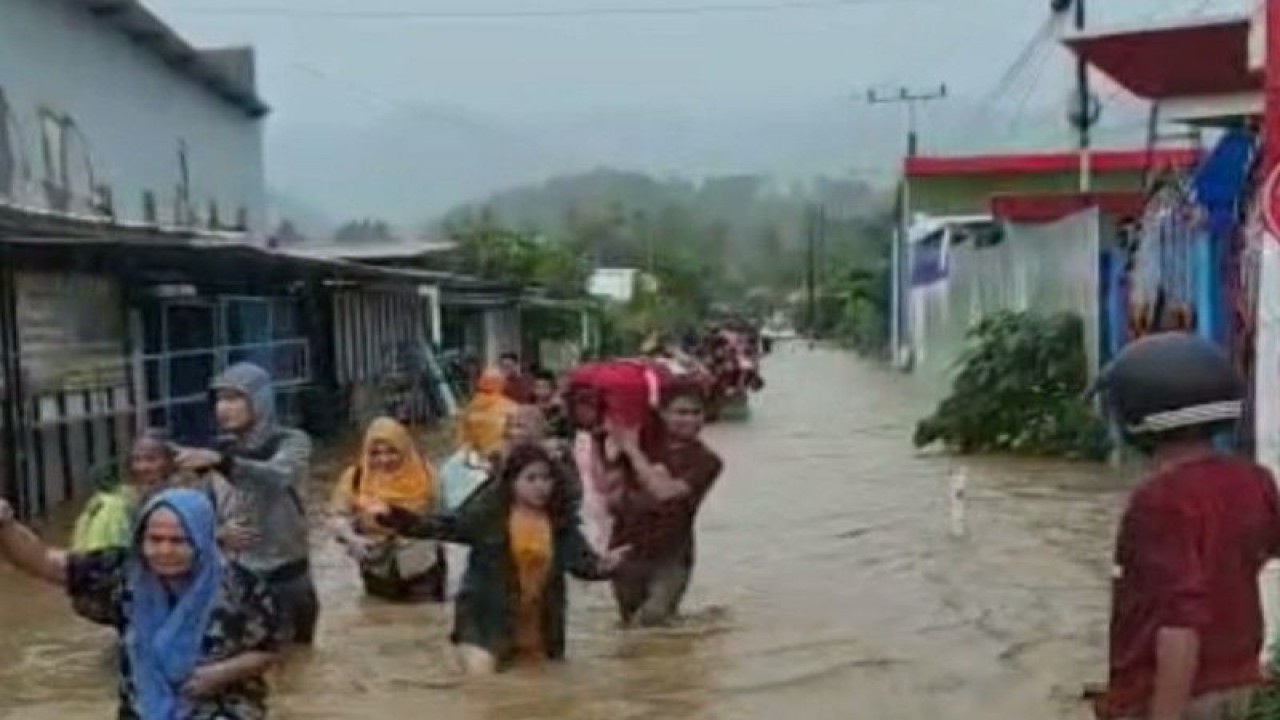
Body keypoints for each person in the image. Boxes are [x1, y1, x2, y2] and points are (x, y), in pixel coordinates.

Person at [1089, 332, 1280, 720]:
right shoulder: (1254, 481)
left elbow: (1178, 626)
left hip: (1173, 696)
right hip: (1235, 684)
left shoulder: (1157, 501)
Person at [0, 489, 282, 718]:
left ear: (202, 540)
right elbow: (45, 563)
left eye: (178, 541)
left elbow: (269, 652)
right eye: (155, 539)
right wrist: (6, 525)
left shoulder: (242, 588)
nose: (164, 551)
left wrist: (218, 675)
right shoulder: (124, 576)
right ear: (140, 539)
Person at [377, 443, 628, 675]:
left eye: (546, 478)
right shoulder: (487, 516)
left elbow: (583, 565)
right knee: (485, 688)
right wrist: (397, 518)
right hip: (484, 619)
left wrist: (606, 566)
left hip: (538, 627)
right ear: (512, 482)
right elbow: (441, 526)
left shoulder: (560, 525)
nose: (541, 486)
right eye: (531, 479)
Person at [175, 362, 318, 646]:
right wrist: (217, 534)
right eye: (218, 399)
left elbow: (277, 477)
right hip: (238, 582)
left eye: (233, 398)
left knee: (296, 671)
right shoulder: (218, 452)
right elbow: (195, 515)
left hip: (287, 580)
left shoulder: (291, 442)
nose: (222, 408)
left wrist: (224, 463)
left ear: (259, 400)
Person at [607, 384, 723, 627]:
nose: (689, 419)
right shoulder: (644, 442)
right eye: (680, 412)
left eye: (695, 413)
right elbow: (609, 493)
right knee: (629, 625)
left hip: (673, 553)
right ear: (663, 414)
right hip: (628, 547)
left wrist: (632, 451)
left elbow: (665, 493)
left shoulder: (707, 461)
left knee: (654, 617)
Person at [73, 430, 251, 554]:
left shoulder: (204, 488)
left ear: (172, 461)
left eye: (151, 459)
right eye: (137, 460)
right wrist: (217, 536)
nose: (142, 467)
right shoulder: (119, 502)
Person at [329, 417, 446, 602]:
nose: (383, 459)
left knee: (428, 620)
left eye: (392, 451)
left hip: (422, 568)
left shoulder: (426, 474)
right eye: (375, 453)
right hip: (376, 569)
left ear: (405, 449)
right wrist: (351, 539)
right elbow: (337, 517)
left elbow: (446, 519)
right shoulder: (355, 477)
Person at [533, 370, 572, 441]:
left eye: (544, 387)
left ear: (552, 389)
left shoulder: (559, 410)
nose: (541, 390)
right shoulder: (530, 409)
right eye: (538, 387)